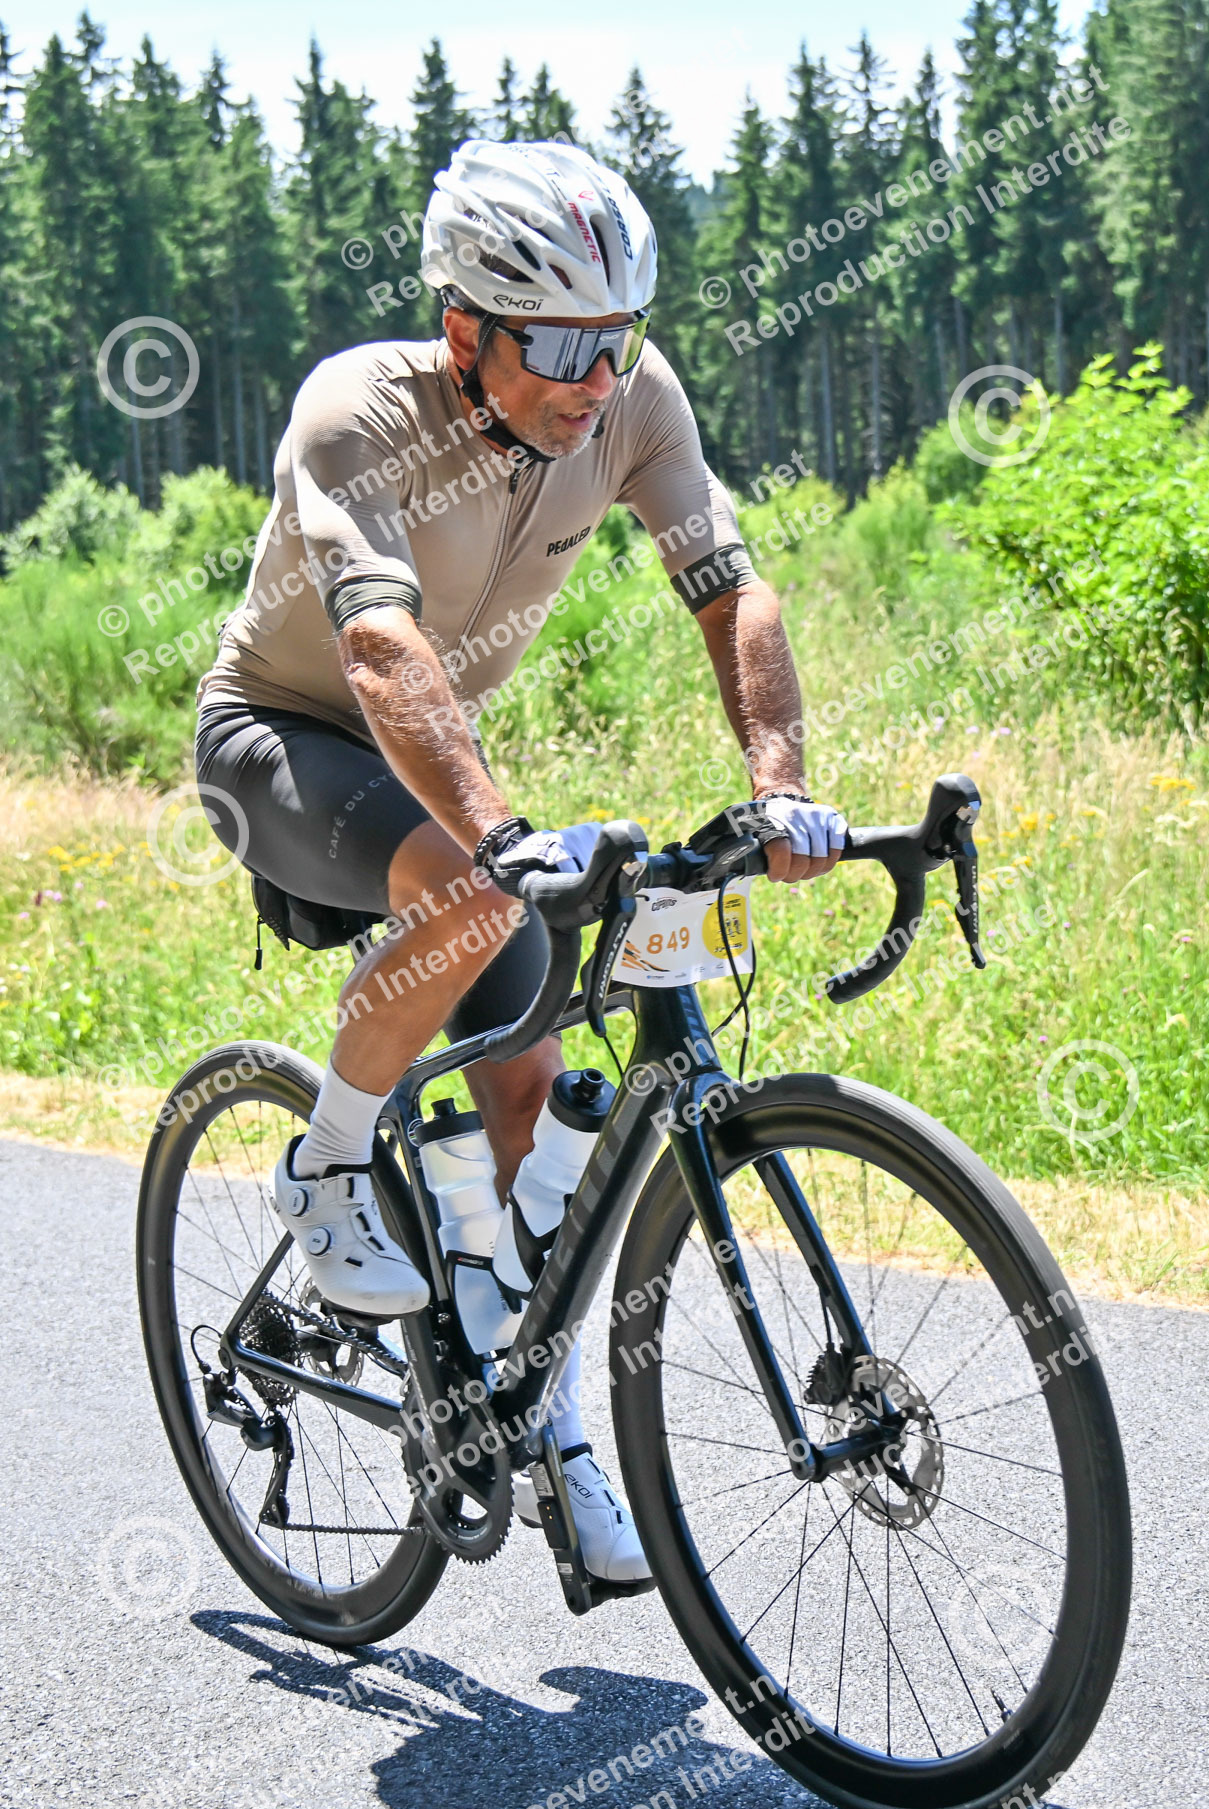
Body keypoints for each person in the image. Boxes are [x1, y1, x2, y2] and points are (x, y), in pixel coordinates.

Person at [195, 138, 846, 1584]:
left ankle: (537, 1413)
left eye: (617, 338)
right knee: (476, 889)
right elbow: (378, 645)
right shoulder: (358, 410)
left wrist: (781, 790)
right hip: (281, 739)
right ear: (463, 330)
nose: (595, 378)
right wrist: (499, 837)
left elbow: (731, 592)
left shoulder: (633, 400)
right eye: (556, 343)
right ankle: (326, 1163)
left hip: (431, 759)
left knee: (535, 1076)